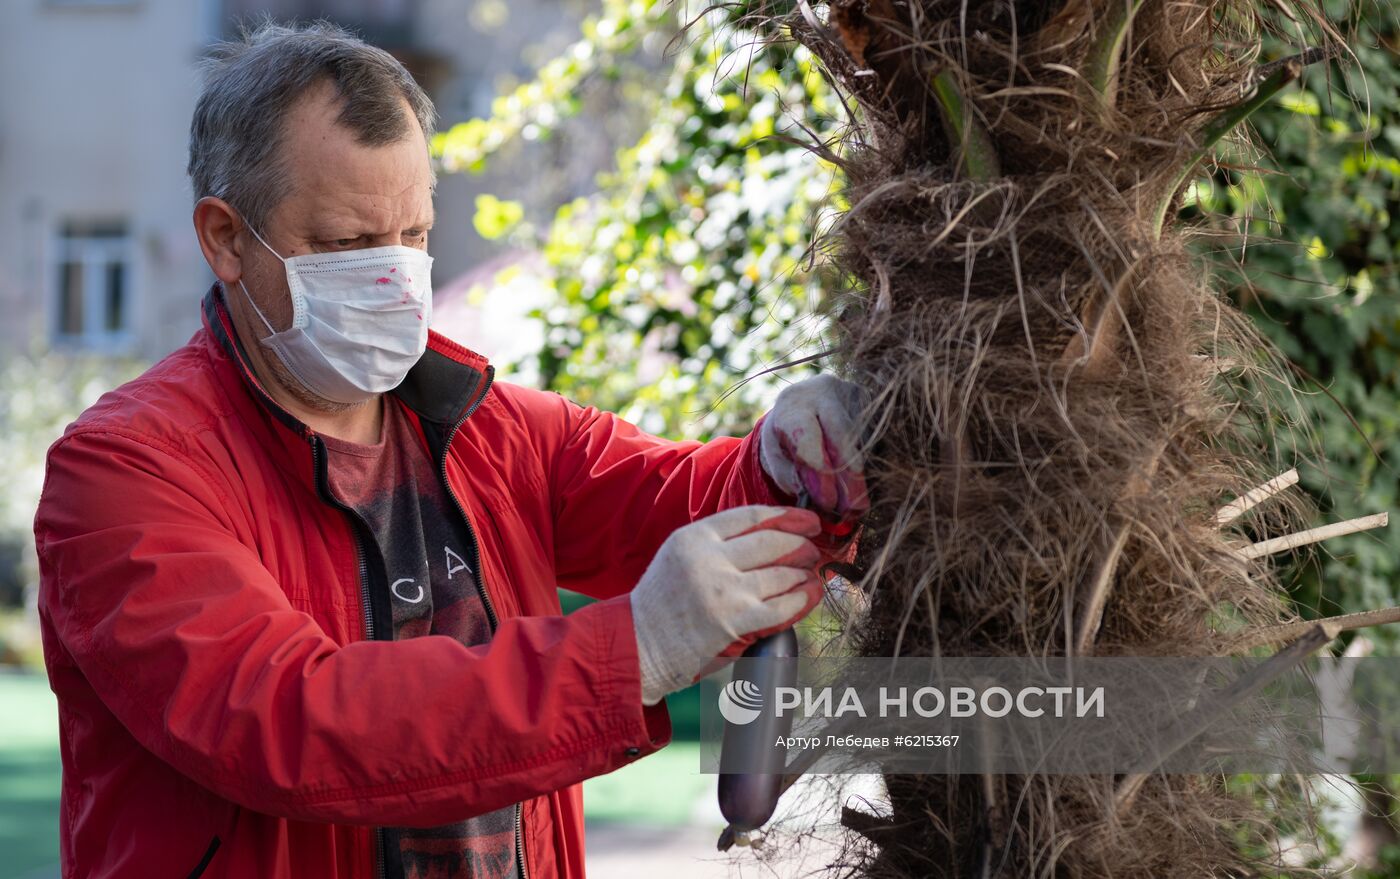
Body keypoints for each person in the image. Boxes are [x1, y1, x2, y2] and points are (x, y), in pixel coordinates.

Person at [32, 21, 866, 879]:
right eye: (348, 244)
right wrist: (634, 652)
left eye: (415, 235)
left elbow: (681, 498)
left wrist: (796, 462)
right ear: (225, 239)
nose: (392, 275)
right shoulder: (124, 473)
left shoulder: (493, 429)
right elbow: (289, 722)